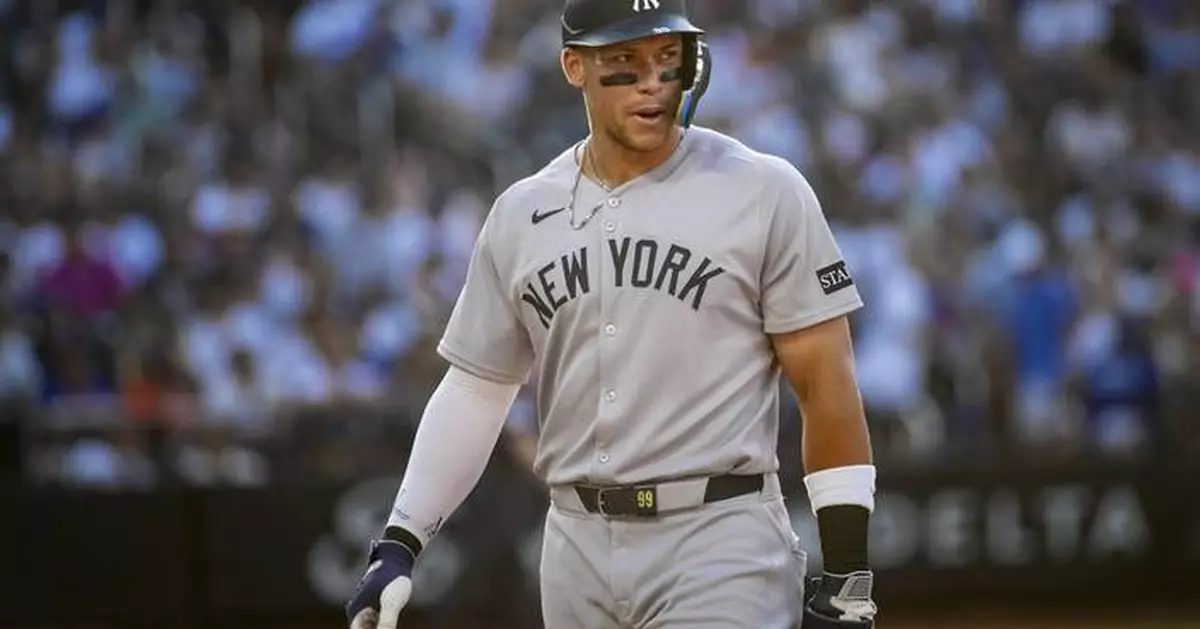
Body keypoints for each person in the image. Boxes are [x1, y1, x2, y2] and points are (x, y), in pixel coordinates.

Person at [346, 1, 879, 627]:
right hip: (574, 546)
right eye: (625, 60)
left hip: (717, 539)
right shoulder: (522, 213)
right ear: (576, 67)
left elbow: (825, 380)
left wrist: (847, 573)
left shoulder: (763, 190)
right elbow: (476, 388)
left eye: (667, 59)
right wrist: (400, 541)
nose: (653, 81)